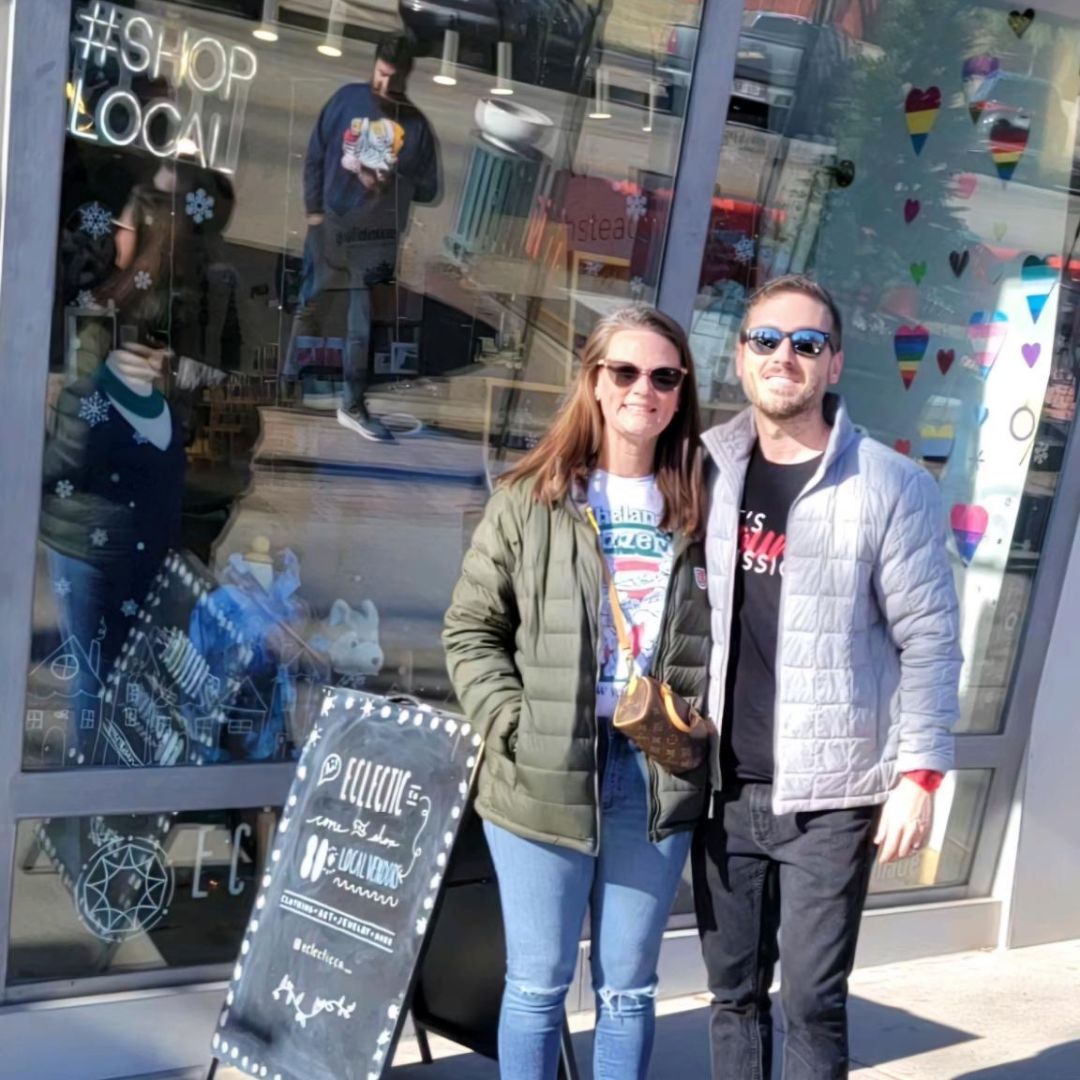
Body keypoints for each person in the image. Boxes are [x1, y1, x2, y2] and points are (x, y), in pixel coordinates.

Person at [694, 274, 962, 1079]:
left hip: (834, 795)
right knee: (732, 995)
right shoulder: (710, 471)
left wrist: (920, 773)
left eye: (807, 344)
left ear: (833, 364)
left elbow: (930, 639)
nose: (786, 357)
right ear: (741, 359)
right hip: (724, 786)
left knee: (812, 1001)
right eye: (767, 341)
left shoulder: (891, 484)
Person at [444, 306, 712, 1080]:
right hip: (541, 771)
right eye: (624, 372)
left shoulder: (701, 501)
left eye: (664, 376)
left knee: (628, 988)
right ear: (594, 381)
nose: (644, 390)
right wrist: (511, 724)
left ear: (679, 391)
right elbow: (470, 629)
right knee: (537, 984)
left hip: (654, 773)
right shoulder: (533, 497)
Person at [286, 33, 440, 442]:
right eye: (381, 74)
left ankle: (351, 404)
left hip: (378, 238)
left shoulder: (417, 127)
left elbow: (430, 188)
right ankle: (285, 387)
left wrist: (395, 177)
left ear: (407, 75)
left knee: (362, 325)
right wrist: (314, 214)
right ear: (374, 64)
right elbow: (316, 154)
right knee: (310, 305)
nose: (385, 86)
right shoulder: (346, 100)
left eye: (394, 78)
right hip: (333, 222)